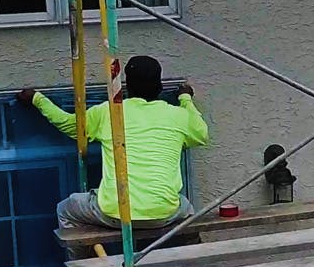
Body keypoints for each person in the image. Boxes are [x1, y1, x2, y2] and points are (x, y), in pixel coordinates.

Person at [17, 55, 209, 256]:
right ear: (160, 86)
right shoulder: (178, 115)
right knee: (187, 210)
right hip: (164, 213)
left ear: (127, 86)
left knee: (66, 209)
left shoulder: (109, 112)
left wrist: (37, 99)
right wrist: (185, 98)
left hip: (116, 213)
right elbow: (201, 134)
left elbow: (70, 124)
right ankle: (191, 266)